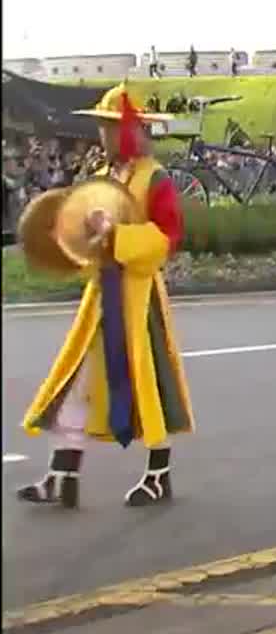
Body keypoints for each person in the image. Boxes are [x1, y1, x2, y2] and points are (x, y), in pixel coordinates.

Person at [17, 85, 193, 509]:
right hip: (103, 293)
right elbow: (90, 234)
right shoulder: (111, 176)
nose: (101, 135)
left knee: (149, 385)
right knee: (77, 382)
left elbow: (167, 238)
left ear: (126, 131)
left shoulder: (156, 178)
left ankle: (158, 474)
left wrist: (117, 235)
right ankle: (62, 475)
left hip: (139, 297)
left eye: (107, 127)